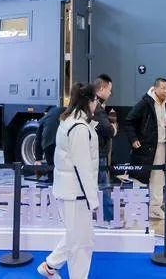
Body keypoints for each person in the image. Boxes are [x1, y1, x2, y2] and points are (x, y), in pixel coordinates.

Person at [37, 83, 99, 279]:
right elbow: (83, 167)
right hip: (76, 193)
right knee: (80, 244)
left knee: (78, 238)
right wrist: (93, 199)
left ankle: (50, 266)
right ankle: (52, 267)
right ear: (88, 101)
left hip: (72, 191)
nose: (97, 104)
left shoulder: (71, 121)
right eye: (95, 100)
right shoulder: (79, 127)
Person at [125, 77, 166, 219]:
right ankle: (135, 208)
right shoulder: (144, 104)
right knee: (139, 177)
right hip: (144, 147)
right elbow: (129, 121)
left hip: (163, 146)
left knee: (159, 178)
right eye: (163, 88)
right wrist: (133, 139)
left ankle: (155, 208)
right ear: (155, 89)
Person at [92, 74, 117, 224]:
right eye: (109, 89)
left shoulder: (95, 106)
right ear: (102, 88)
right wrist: (114, 127)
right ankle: (109, 217)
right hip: (99, 154)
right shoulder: (98, 108)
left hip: (94, 153)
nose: (110, 93)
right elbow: (108, 130)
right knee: (104, 186)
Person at [35, 104, 64, 182]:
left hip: (47, 142)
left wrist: (38, 159)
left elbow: (38, 139)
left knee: (51, 164)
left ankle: (51, 181)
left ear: (46, 112)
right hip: (60, 140)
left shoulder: (45, 117)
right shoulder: (61, 109)